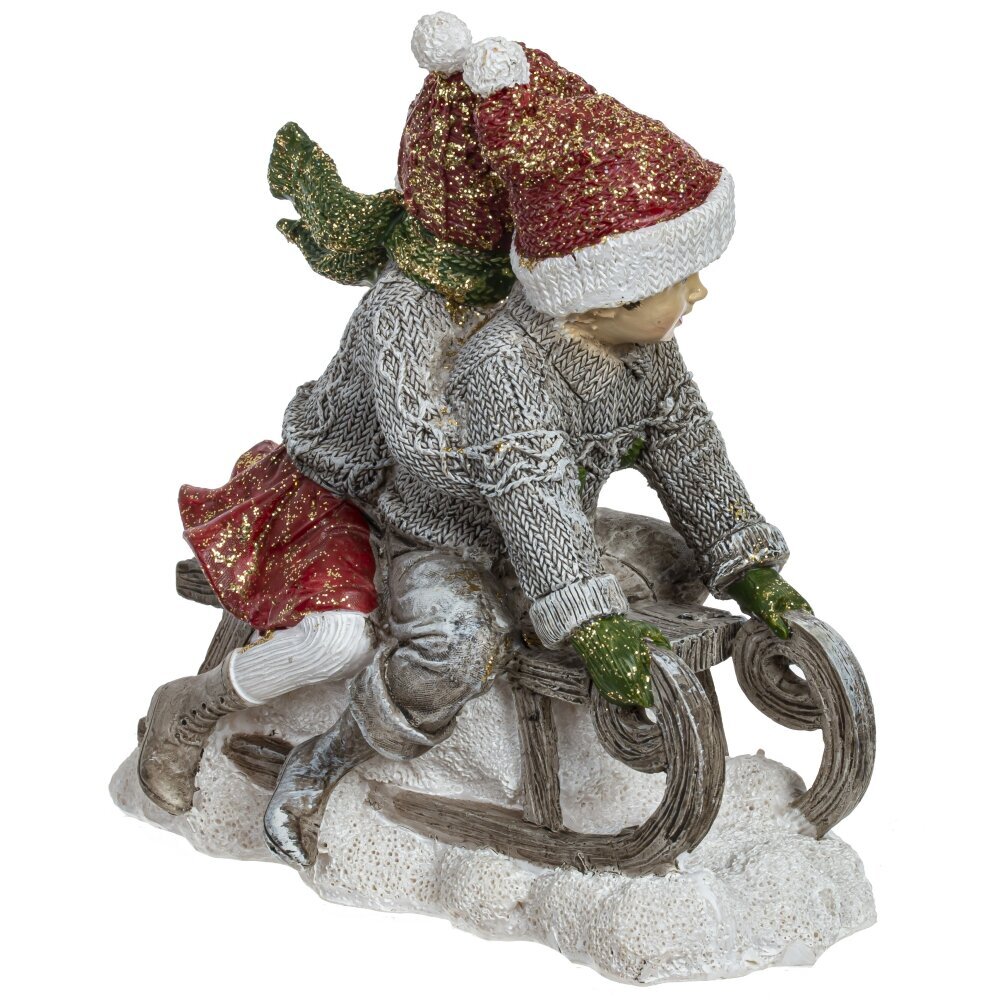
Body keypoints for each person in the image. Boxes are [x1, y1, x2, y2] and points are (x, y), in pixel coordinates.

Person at [262, 30, 811, 868]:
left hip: (554, 534)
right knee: (458, 643)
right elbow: (511, 481)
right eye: (675, 282)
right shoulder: (492, 355)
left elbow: (687, 444)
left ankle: (587, 735)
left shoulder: (637, 350)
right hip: (441, 533)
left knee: (674, 560)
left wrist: (745, 561)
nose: (699, 292)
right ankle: (326, 758)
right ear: (601, 297)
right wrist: (586, 607)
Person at [136, 13, 600, 816]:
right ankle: (195, 707)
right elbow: (423, 451)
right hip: (346, 492)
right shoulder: (405, 309)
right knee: (337, 639)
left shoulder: (528, 293)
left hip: (447, 510)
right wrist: (535, 488)